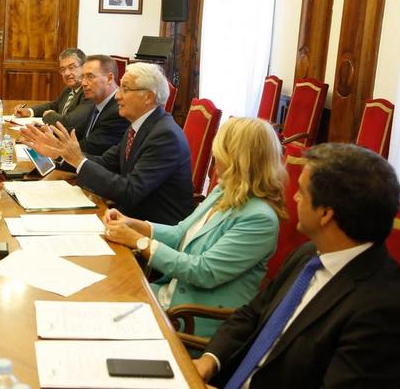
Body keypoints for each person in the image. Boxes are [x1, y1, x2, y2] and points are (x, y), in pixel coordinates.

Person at [194, 143, 400, 389]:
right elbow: (253, 313)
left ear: (325, 214)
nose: (294, 197)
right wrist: (209, 359)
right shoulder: (310, 254)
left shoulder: (381, 311)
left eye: (302, 191)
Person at [104, 117, 285, 338]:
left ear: (238, 160)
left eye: (220, 153)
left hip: (192, 318)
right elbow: (180, 232)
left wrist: (138, 241)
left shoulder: (259, 218)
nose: (214, 159)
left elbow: (202, 271)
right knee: (102, 296)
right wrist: (132, 224)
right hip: (167, 298)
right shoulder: (224, 190)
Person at [21, 62, 193, 225]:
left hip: (150, 227)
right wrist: (60, 154)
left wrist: (79, 161)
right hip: (124, 216)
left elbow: (130, 192)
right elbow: (105, 162)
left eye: (125, 89)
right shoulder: (138, 126)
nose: (117, 95)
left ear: (148, 97)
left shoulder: (164, 136)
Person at [69, 54, 129, 155]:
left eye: (90, 77)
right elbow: (79, 132)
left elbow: (90, 148)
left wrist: (56, 150)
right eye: (82, 77)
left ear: (110, 78)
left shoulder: (119, 111)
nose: (83, 83)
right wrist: (49, 133)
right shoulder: (97, 102)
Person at [13, 48, 88, 126]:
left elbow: (69, 122)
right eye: (63, 69)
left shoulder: (87, 92)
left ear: (84, 67)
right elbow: (54, 105)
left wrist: (49, 115)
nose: (66, 73)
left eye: (71, 67)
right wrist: (29, 111)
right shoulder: (69, 90)